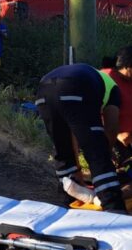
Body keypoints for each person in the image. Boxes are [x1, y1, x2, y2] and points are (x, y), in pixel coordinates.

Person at [36, 62, 125, 211]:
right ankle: (113, 206)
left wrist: (77, 167)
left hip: (43, 90)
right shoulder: (114, 89)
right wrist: (106, 152)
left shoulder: (95, 77)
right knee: (97, 152)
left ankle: (69, 195)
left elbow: (72, 132)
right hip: (76, 86)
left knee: (62, 148)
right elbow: (111, 126)